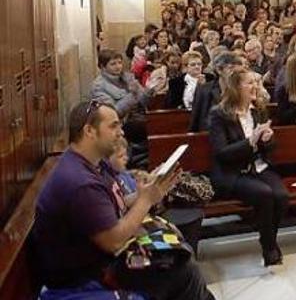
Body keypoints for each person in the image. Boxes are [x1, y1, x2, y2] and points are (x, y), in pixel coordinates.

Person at [32, 101, 213, 300]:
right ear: (89, 131)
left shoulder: (95, 163)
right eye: (113, 126)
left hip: (102, 262)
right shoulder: (80, 182)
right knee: (182, 272)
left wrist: (150, 190)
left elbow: (114, 201)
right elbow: (114, 241)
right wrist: (145, 200)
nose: (121, 132)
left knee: (180, 258)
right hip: (85, 277)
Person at [207, 68, 287, 267]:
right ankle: (269, 249)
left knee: (281, 196)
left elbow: (269, 147)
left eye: (256, 82)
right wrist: (250, 141)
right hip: (233, 172)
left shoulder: (258, 109)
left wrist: (267, 140)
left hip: (258, 167)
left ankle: (269, 240)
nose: (255, 87)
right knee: (265, 194)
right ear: (236, 87)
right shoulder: (219, 114)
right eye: (250, 83)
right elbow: (222, 153)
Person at [91, 49, 156, 152]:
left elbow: (143, 102)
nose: (118, 66)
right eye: (113, 64)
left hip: (139, 116)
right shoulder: (99, 86)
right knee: (151, 127)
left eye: (120, 63)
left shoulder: (128, 78)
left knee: (159, 123)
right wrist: (132, 95)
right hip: (121, 123)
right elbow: (113, 112)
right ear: (103, 67)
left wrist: (149, 91)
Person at [189, 51, 245, 132]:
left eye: (238, 70)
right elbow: (196, 119)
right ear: (219, 70)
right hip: (211, 136)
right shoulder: (204, 90)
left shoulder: (244, 88)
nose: (235, 73)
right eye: (231, 68)